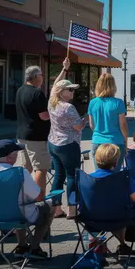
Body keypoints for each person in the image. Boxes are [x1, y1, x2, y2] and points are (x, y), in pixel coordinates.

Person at [0, 140, 55, 260]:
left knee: (19, 206)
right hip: (18, 216)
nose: (17, 155)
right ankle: (34, 247)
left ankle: (22, 246)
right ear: (9, 157)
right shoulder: (19, 173)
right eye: (16, 153)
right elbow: (38, 197)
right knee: (50, 205)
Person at [91, 143, 135, 257]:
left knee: (118, 209)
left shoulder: (88, 178)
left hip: (92, 218)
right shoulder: (123, 178)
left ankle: (123, 245)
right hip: (119, 217)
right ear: (116, 162)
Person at [16, 58, 70, 199]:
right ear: (35, 77)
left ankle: (24, 196)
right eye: (41, 75)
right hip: (36, 137)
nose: (42, 77)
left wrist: (64, 69)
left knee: (26, 168)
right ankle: (39, 199)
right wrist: (56, 114)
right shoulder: (36, 93)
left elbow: (54, 88)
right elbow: (44, 116)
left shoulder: (20, 90)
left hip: (22, 135)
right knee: (41, 168)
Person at [48, 78, 86, 219]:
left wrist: (64, 69)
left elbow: (52, 90)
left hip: (53, 142)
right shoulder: (68, 108)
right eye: (69, 89)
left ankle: (56, 208)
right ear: (61, 92)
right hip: (68, 144)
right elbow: (79, 126)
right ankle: (72, 209)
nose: (72, 92)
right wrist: (86, 118)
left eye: (72, 89)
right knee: (72, 176)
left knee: (58, 175)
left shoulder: (52, 102)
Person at [88, 73, 128, 171]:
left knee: (99, 175)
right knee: (114, 176)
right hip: (115, 142)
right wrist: (125, 141)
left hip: (97, 141)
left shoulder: (93, 103)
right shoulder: (118, 103)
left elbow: (91, 125)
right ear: (113, 86)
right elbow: (122, 125)